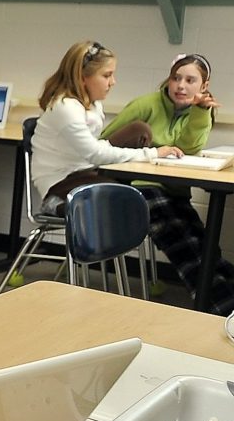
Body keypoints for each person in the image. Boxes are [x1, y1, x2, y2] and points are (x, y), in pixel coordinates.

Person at [99, 54, 234, 314]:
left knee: (203, 243)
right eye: (176, 78)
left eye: (190, 80)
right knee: (181, 240)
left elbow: (188, 148)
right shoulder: (146, 104)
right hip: (136, 184)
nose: (181, 86)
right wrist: (146, 154)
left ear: (204, 86)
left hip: (173, 189)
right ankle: (220, 307)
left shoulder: (201, 111)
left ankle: (226, 296)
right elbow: (103, 145)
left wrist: (200, 113)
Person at [30, 40, 183, 217]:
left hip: (86, 169)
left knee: (139, 131)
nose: (113, 82)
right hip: (61, 182)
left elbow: (95, 150)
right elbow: (95, 154)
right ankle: (57, 203)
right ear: (82, 78)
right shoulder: (65, 107)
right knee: (130, 200)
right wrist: (153, 154)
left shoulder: (93, 104)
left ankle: (120, 192)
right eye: (106, 75)